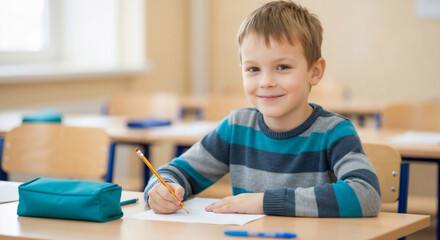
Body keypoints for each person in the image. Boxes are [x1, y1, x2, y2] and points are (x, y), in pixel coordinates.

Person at [144, 0, 381, 217]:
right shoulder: (236, 128)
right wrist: (161, 191)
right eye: (253, 69)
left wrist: (265, 202)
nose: (266, 81)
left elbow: (366, 195)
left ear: (314, 72)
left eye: (282, 67)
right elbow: (174, 173)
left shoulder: (333, 132)